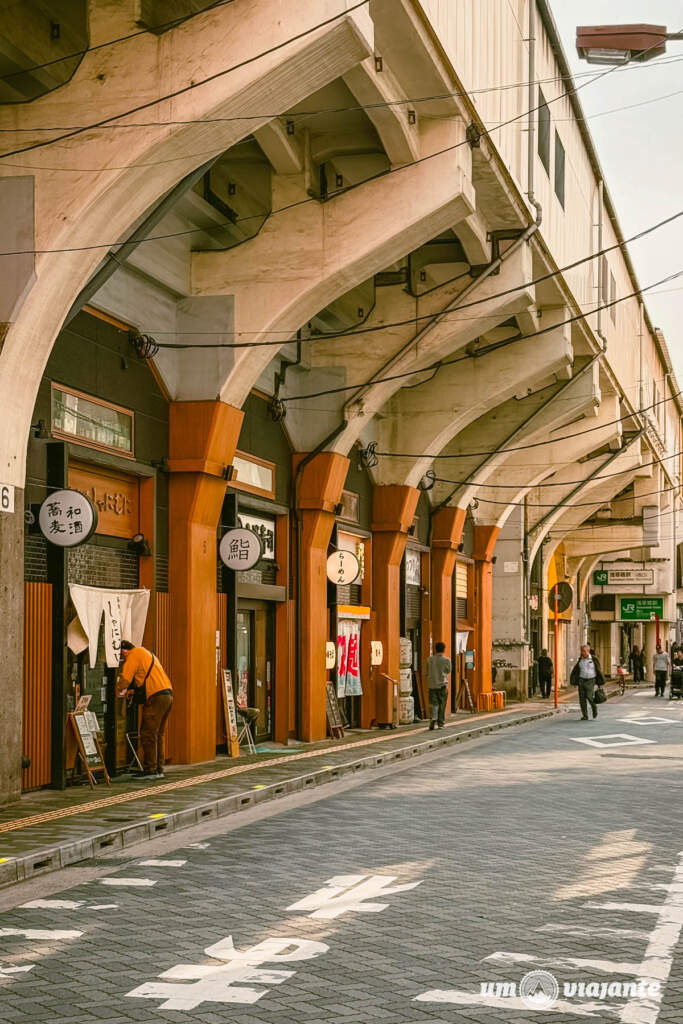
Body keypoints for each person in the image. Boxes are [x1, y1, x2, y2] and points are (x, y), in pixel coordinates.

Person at [118, 641, 173, 779]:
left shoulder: (134, 654)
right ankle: (158, 768)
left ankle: (150, 769)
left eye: (122, 658)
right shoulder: (147, 653)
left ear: (124, 651)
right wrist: (133, 690)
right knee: (158, 734)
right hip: (167, 695)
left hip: (156, 696)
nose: (124, 660)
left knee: (147, 733)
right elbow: (142, 678)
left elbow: (125, 678)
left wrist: (117, 689)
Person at [569, 644, 604, 720]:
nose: (582, 653)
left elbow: (599, 671)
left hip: (591, 680)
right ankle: (585, 715)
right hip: (581, 680)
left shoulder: (594, 659)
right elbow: (576, 671)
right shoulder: (580, 660)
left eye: (584, 651)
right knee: (582, 699)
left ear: (588, 651)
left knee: (589, 696)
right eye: (582, 651)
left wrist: (599, 683)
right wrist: (574, 682)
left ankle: (594, 707)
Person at [426, 641, 451, 730]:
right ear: (444, 649)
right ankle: (440, 723)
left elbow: (426, 671)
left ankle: (433, 718)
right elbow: (448, 671)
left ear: (435, 649)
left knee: (433, 704)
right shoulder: (447, 660)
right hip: (442, 684)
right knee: (442, 704)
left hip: (432, 684)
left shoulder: (429, 659)